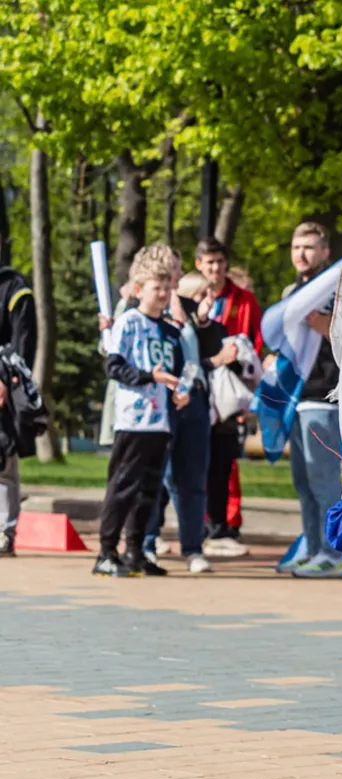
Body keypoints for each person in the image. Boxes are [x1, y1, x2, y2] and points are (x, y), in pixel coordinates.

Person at [96, 245, 189, 577]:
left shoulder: (171, 331)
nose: (163, 293)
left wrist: (181, 392)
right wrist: (151, 376)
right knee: (124, 486)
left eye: (168, 287)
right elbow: (115, 366)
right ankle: (106, 551)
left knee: (150, 490)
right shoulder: (128, 323)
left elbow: (181, 371)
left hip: (161, 423)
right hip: (133, 421)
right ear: (138, 290)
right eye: (156, 287)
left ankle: (135, 551)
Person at [144, 272, 229, 574]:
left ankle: (193, 547)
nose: (209, 300)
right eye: (203, 294)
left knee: (192, 479)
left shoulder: (199, 321)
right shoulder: (158, 313)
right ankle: (147, 544)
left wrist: (202, 321)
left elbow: (214, 350)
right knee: (156, 478)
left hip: (195, 400)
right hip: (166, 398)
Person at [279, 222, 342, 578]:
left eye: (309, 247)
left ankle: (332, 555)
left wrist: (322, 321)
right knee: (303, 482)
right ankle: (313, 547)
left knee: (323, 481)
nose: (301, 254)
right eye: (296, 247)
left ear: (324, 253)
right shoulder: (293, 290)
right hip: (296, 399)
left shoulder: (336, 289)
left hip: (325, 398)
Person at [195, 237, 260, 558]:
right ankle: (197, 524)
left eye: (220, 262)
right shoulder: (189, 298)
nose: (215, 269)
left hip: (229, 393)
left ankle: (225, 524)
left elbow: (255, 346)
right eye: (209, 263)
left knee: (225, 462)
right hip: (197, 388)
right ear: (200, 265)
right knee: (193, 462)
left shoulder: (243, 300)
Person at [0, 264, 37, 557]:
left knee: (2, 461)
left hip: (1, 384)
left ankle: (4, 531)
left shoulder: (13, 288)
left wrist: (6, 379)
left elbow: (22, 342)